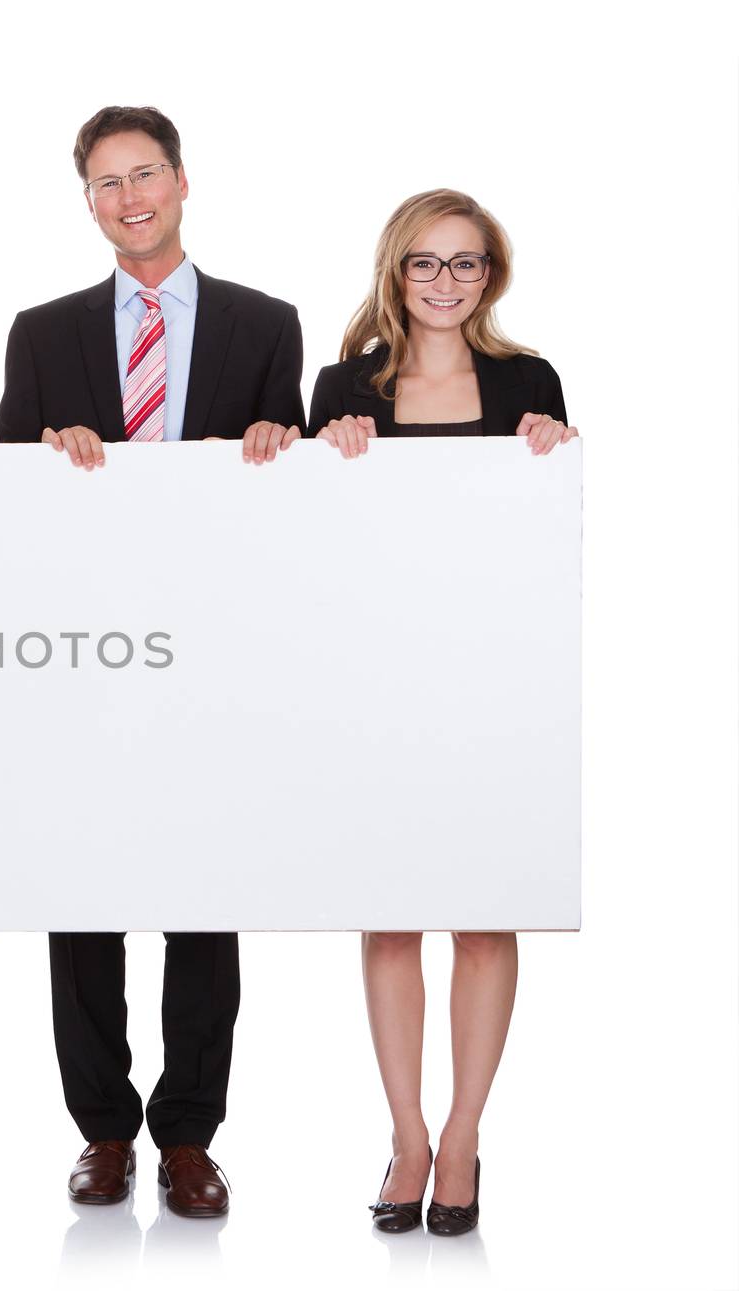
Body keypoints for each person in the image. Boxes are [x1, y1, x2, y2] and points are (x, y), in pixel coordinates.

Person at [0, 105, 305, 1218]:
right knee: (79, 893)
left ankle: (187, 1134)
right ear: (86, 201)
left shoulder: (266, 325)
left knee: (200, 895)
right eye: (105, 183)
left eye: (146, 176)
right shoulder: (42, 331)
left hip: (213, 650)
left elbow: (290, 505)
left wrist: (280, 446)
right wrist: (41, 456)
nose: (129, 199)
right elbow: (5, 504)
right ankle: (104, 1131)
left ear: (181, 182)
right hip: (76, 649)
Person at [309, 188, 577, 1236]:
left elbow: (549, 530)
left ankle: (463, 1134)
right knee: (388, 916)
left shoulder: (526, 381)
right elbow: (315, 543)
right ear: (394, 271)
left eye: (464, 264)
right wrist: (317, 455)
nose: (443, 282)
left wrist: (554, 446)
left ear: (489, 275)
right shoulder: (345, 385)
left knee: (479, 914)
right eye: (424, 263)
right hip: (375, 679)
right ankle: (406, 1134)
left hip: (495, 678)